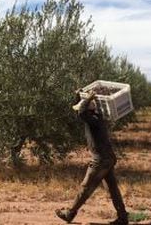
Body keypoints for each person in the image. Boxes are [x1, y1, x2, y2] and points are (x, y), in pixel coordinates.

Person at [55, 89, 129, 225]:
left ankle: (70, 213)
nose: (93, 103)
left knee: (86, 187)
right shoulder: (94, 117)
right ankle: (123, 217)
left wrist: (88, 98)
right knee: (112, 188)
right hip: (107, 159)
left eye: (92, 102)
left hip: (101, 160)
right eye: (90, 102)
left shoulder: (93, 118)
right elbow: (79, 109)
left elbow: (81, 112)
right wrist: (79, 96)